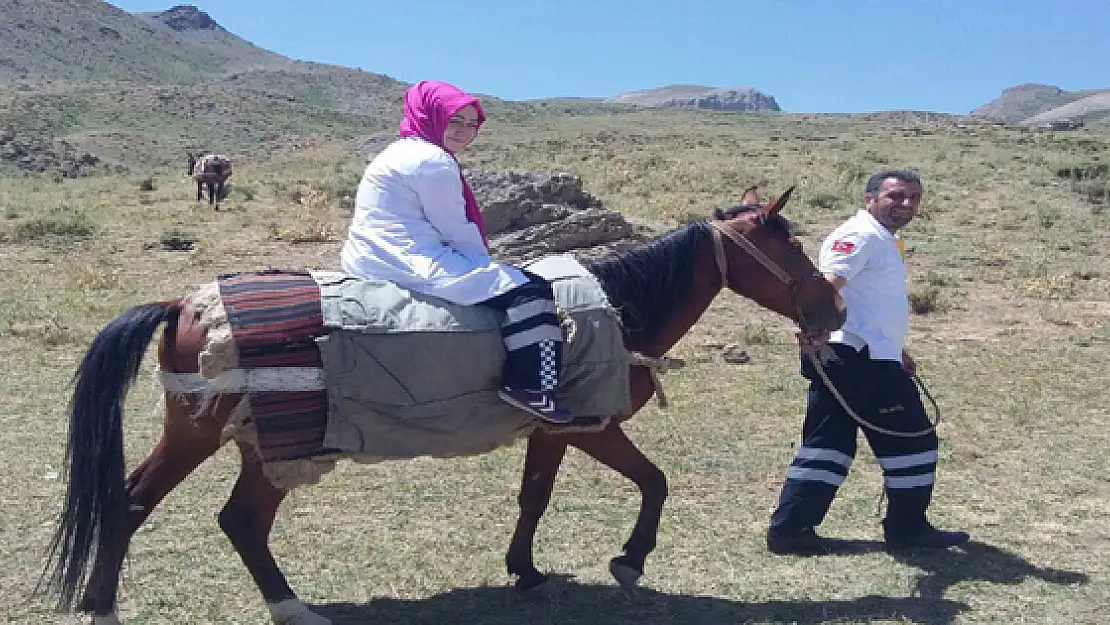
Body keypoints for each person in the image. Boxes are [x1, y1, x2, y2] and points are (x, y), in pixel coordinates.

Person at [340, 80, 573, 425]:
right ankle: (534, 386)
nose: (464, 132)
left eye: (471, 124)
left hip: (370, 254)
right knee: (530, 289)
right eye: (454, 121)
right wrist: (485, 266)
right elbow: (455, 228)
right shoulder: (432, 161)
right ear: (430, 115)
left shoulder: (400, 150)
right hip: (407, 259)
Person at [766, 170, 969, 554]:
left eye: (913, 197)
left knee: (828, 444)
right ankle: (908, 530)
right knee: (914, 440)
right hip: (858, 358)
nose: (905, 204)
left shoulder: (884, 239)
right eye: (895, 196)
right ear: (870, 198)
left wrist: (897, 350)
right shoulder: (859, 235)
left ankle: (790, 531)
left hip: (865, 353)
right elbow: (825, 288)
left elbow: (867, 304)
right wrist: (815, 332)